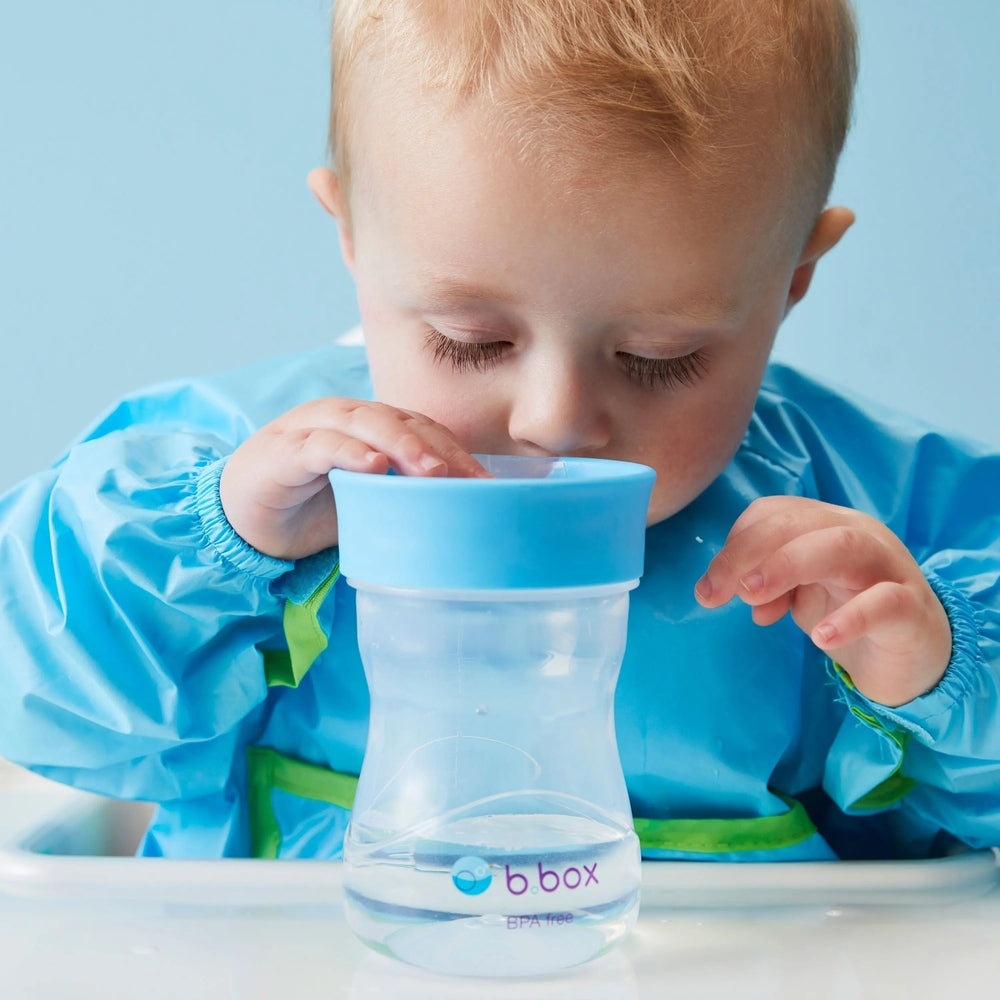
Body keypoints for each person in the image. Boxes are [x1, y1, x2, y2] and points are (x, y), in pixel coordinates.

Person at [1, 0, 998, 863]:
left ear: (792, 278)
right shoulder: (254, 473)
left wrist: (938, 669)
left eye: (657, 355)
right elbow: (39, 696)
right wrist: (224, 543)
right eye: (469, 341)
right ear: (352, 236)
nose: (554, 418)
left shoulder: (884, 515)